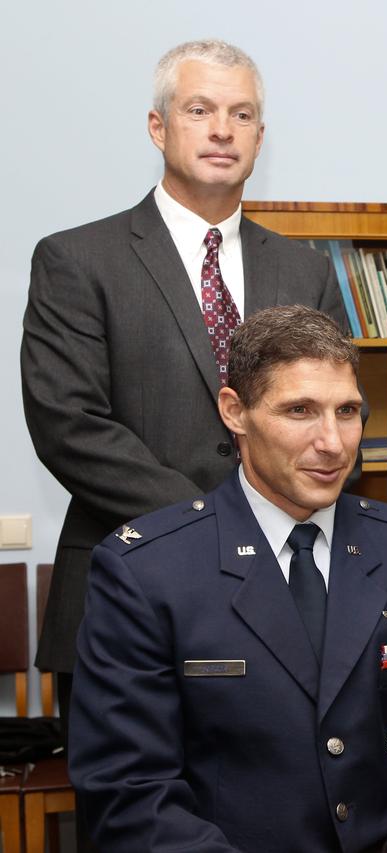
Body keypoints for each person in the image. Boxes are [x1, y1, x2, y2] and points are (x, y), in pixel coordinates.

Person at [70, 306, 387, 852]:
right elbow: (130, 790)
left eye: (349, 410)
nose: (333, 443)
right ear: (234, 411)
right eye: (300, 411)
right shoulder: (147, 573)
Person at [21, 39, 345, 717]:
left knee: (275, 812)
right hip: (128, 585)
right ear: (158, 126)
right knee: (132, 813)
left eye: (242, 114)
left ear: (260, 135)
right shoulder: (77, 260)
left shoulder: (305, 271)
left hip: (285, 590)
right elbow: (69, 423)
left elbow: (328, 414)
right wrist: (216, 527)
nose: (223, 130)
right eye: (200, 109)